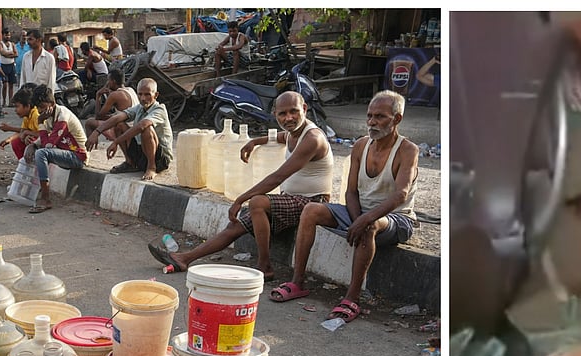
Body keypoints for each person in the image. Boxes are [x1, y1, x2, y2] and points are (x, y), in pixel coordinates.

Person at [148, 91, 333, 279]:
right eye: (282, 114)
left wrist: (241, 199)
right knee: (234, 226)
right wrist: (254, 142)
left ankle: (264, 266)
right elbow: (279, 137)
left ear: (304, 109)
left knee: (257, 203)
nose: (289, 118)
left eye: (294, 111)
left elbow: (278, 177)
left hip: (312, 202)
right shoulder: (292, 134)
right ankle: (184, 259)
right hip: (291, 199)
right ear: (275, 114)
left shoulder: (312, 138)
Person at [273, 91, 419, 322]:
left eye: (380, 117)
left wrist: (364, 220)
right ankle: (297, 282)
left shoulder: (407, 150)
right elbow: (351, 191)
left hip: (396, 218)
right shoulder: (361, 145)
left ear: (397, 119)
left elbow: (400, 195)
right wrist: (357, 218)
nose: (372, 122)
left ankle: (352, 298)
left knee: (369, 226)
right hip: (361, 213)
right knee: (311, 210)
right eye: (369, 116)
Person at [85, 78, 173, 182]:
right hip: (142, 152)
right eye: (140, 94)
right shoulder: (139, 108)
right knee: (119, 124)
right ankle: (130, 162)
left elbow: (142, 126)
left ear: (156, 95)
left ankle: (151, 167)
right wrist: (97, 132)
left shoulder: (160, 109)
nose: (143, 98)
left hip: (160, 159)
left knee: (147, 129)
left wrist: (116, 142)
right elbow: (118, 117)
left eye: (147, 94)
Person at [23, 86, 87, 213]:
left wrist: (40, 122)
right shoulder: (50, 116)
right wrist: (33, 145)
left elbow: (48, 145)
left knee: (41, 153)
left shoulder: (62, 116)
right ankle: (33, 189)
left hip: (78, 155)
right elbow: (45, 137)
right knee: (34, 149)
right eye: (38, 108)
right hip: (65, 151)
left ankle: (46, 198)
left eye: (42, 107)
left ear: (52, 103)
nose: (40, 111)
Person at [83, 68, 138, 141]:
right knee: (111, 117)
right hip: (134, 126)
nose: (107, 83)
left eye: (108, 80)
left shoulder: (115, 95)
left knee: (89, 123)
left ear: (113, 81)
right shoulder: (130, 89)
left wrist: (98, 95)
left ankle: (91, 145)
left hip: (125, 128)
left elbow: (98, 116)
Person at [0, 83, 39, 160]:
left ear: (27, 106)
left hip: (43, 142)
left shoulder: (36, 115)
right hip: (34, 138)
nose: (15, 110)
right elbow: (22, 130)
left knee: (30, 139)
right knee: (16, 141)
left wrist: (26, 133)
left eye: (17, 106)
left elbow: (43, 134)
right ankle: (23, 162)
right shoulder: (27, 116)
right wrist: (9, 139)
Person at [18, 29, 55, 94]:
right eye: (27, 39)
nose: (28, 42)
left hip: (42, 95)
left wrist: (50, 97)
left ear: (39, 40)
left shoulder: (49, 58)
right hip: (28, 95)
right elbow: (23, 79)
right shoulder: (26, 57)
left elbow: (51, 81)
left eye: (30, 39)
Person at [0, 28, 17, 108]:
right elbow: (2, 53)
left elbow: (16, 54)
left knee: (11, 84)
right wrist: (11, 54)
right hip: (3, 65)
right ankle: (4, 101)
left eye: (9, 35)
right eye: (6, 35)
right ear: (2, 35)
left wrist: (7, 55)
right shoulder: (0, 44)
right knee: (5, 84)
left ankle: (11, 101)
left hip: (11, 65)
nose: (8, 37)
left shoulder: (12, 44)